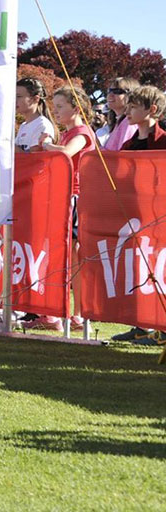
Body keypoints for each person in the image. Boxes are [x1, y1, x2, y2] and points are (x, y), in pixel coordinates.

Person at [32, 84, 96, 332]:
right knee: (60, 254)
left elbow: (68, 153)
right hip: (60, 195)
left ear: (76, 107)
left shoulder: (82, 131)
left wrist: (47, 145)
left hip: (76, 196)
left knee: (74, 255)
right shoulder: (66, 133)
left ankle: (77, 314)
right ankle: (55, 311)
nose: (55, 112)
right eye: (55, 107)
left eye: (60, 107)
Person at [112, 85, 166, 346]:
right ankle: (141, 326)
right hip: (136, 217)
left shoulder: (164, 140)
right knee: (139, 268)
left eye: (134, 107)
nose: (129, 111)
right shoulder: (129, 143)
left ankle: (162, 330)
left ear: (151, 110)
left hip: (161, 216)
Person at [15, 77, 56, 152]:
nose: (15, 100)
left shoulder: (42, 125)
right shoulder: (23, 125)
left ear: (35, 99)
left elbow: (34, 159)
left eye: (19, 96)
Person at [103, 77, 139, 151]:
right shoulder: (119, 122)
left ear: (131, 96)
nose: (110, 94)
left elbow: (122, 155)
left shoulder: (129, 123)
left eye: (117, 91)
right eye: (109, 91)